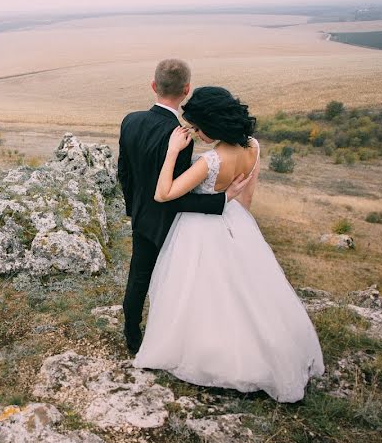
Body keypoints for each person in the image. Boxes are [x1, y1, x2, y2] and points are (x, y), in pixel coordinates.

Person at [132, 86, 325, 403]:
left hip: (200, 229)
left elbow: (163, 193)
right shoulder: (253, 148)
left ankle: (209, 354)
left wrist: (171, 151)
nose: (196, 133)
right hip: (236, 222)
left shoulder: (210, 161)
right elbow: (246, 201)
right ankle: (261, 351)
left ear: (213, 124)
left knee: (199, 294)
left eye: (198, 127)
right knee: (246, 294)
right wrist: (235, 225)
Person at [118, 60, 252, 355]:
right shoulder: (181, 136)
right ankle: (171, 334)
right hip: (171, 221)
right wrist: (221, 200)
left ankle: (132, 334)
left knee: (138, 277)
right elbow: (175, 195)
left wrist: (134, 208)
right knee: (173, 279)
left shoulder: (130, 121)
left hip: (142, 216)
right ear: (186, 90)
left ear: (154, 85)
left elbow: (124, 173)